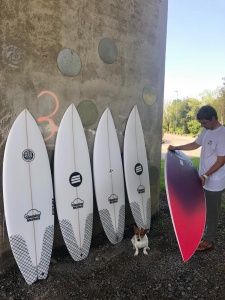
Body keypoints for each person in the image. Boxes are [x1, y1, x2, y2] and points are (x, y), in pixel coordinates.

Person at [168, 105, 225, 251]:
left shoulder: (222, 134)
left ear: (213, 118)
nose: (202, 125)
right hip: (203, 178)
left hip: (215, 180)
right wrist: (177, 148)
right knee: (202, 207)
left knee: (212, 211)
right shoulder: (206, 130)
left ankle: (208, 240)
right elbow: (195, 144)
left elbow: (221, 160)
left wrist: (206, 175)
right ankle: (199, 230)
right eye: (201, 123)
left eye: (204, 122)